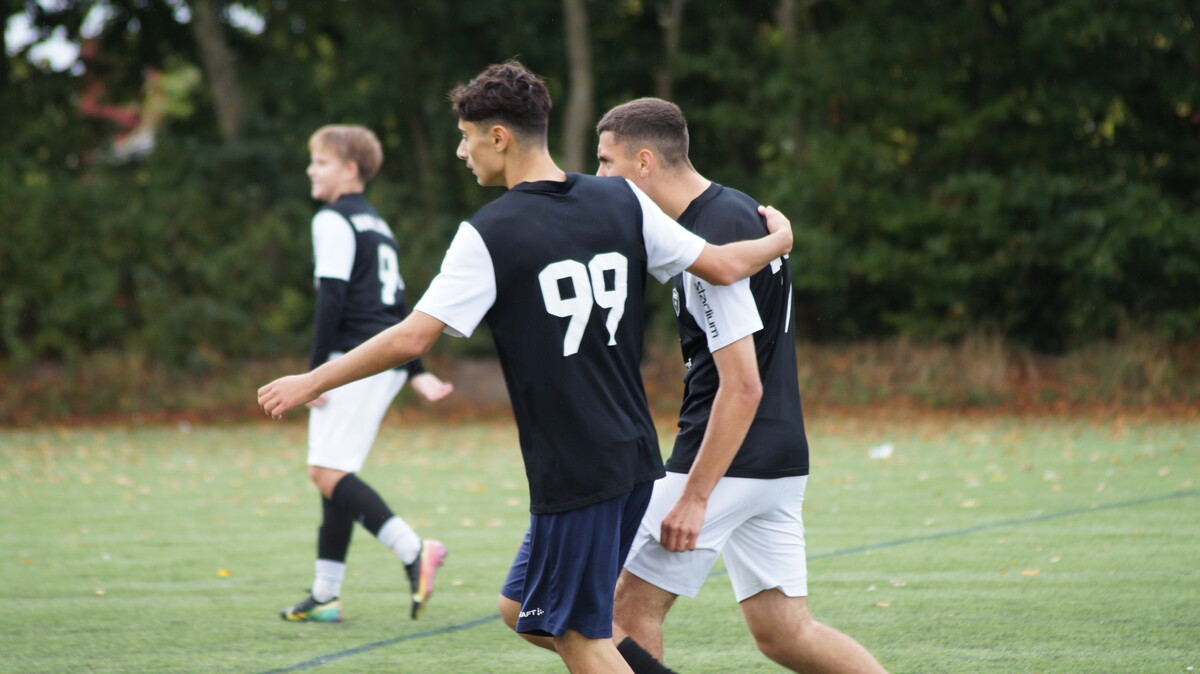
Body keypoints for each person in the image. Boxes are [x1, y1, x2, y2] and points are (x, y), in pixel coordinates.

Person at [259, 62, 792, 672]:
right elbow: (722, 264)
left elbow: (411, 337)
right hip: (631, 454)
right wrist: (778, 241)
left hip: (577, 465)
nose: (461, 152)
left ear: (499, 137)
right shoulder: (621, 199)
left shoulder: (489, 233)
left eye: (466, 137)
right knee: (522, 608)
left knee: (580, 636)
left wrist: (312, 379)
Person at [596, 98, 888, 673]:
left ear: (644, 161)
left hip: (727, 457)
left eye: (606, 161)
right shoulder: (726, 217)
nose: (599, 175)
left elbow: (743, 385)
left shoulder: (715, 233)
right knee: (785, 632)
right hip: (776, 456)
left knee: (625, 610)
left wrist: (694, 497)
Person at [279, 124, 454, 624]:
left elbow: (332, 297)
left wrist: (315, 373)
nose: (311, 170)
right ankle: (325, 594)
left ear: (350, 170)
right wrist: (414, 369)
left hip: (353, 359)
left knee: (325, 472)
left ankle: (414, 551)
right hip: (379, 358)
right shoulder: (377, 224)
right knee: (335, 472)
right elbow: (397, 303)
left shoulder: (333, 218)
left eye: (321, 162)